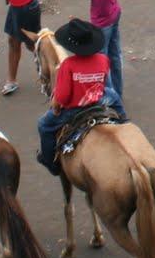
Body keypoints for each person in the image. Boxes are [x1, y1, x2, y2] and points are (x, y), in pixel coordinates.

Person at [36, 18, 114, 174]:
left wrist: (56, 107)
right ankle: (123, 121)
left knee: (44, 125)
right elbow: (104, 81)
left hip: (75, 109)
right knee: (114, 96)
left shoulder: (68, 65)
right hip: (99, 101)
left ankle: (50, 162)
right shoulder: (103, 59)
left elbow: (63, 96)